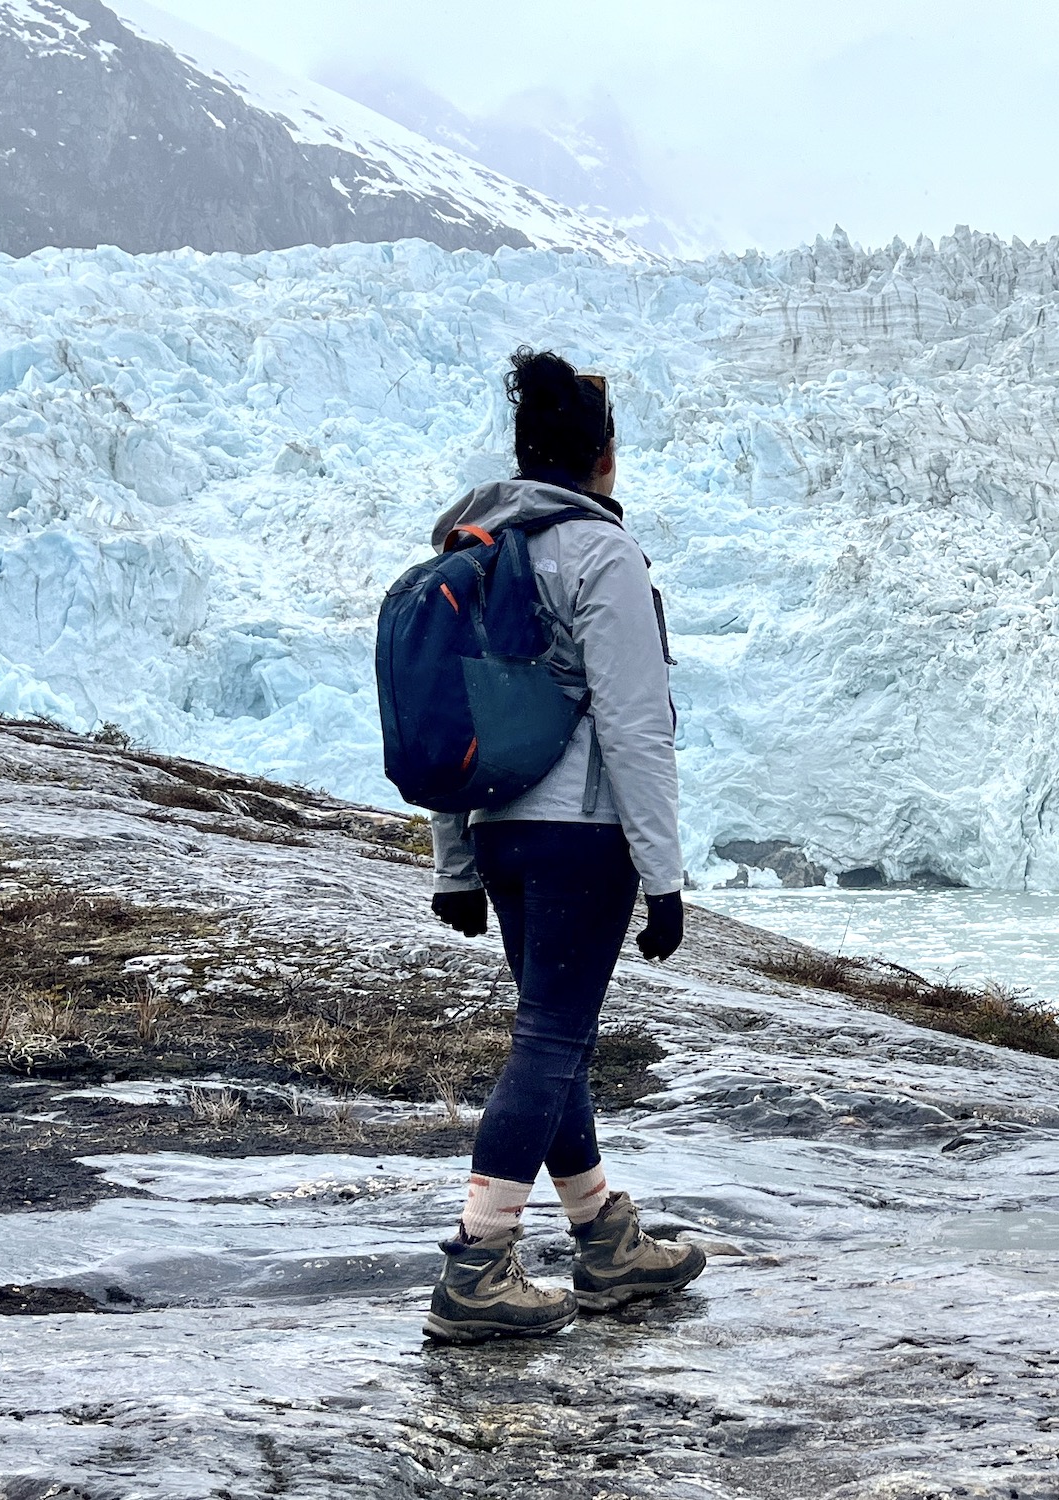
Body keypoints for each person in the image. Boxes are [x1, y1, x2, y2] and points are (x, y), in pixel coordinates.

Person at [418, 349, 704, 1343]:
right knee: (550, 1042)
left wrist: (456, 860)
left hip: (500, 834)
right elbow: (635, 723)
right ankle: (477, 1265)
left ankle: (603, 1239)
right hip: (582, 840)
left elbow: (450, 715)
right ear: (604, 457)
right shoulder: (600, 553)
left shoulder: (480, 545)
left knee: (556, 1036)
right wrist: (663, 876)